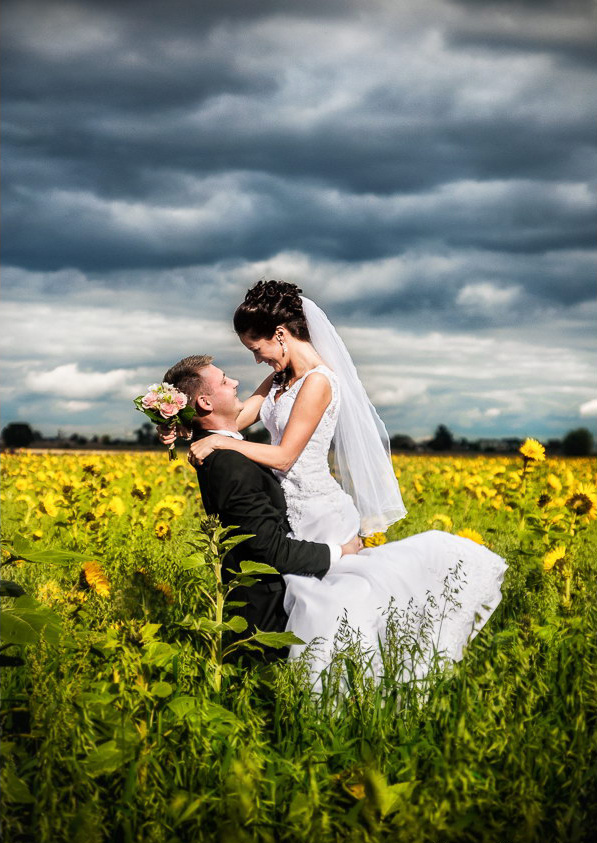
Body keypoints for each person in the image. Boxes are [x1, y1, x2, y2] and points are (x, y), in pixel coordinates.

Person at [177, 280, 508, 685]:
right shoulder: (280, 380)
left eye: (255, 348)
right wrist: (180, 426)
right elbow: (236, 420)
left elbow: (284, 456)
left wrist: (215, 442)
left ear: (280, 335)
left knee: (330, 603)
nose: (256, 360)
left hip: (317, 506)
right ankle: (316, 682)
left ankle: (352, 682)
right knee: (307, 602)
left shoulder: (318, 382)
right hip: (288, 504)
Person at [160, 353, 362, 663]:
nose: (236, 381)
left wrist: (179, 425)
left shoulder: (214, 446)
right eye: (225, 381)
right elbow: (271, 550)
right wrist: (340, 552)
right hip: (263, 620)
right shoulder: (230, 464)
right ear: (205, 403)